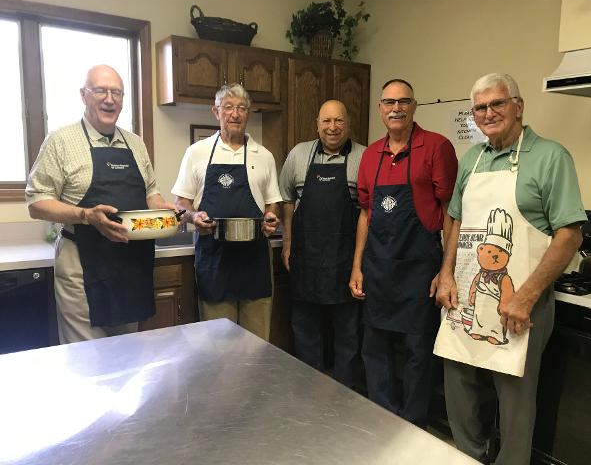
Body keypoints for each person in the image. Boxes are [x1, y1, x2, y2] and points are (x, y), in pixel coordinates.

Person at [433, 73, 586, 465]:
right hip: (465, 297)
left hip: (521, 304)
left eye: (497, 103)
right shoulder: (472, 158)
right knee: (460, 390)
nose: (488, 113)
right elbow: (455, 220)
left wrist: (526, 295)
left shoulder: (551, 157)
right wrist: (447, 272)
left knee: (515, 404)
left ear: (518, 106)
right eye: (480, 107)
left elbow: (569, 235)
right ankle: (468, 457)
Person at [26, 64, 176, 344]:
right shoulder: (61, 141)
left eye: (116, 93)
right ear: (84, 95)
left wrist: (165, 210)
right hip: (82, 264)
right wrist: (85, 215)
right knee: (89, 362)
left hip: (131, 266)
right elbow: (36, 201)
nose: (110, 99)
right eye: (101, 91)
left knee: (128, 357)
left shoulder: (136, 144)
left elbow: (151, 193)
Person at [349, 79, 458, 426]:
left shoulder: (437, 147)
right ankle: (381, 417)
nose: (396, 108)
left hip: (419, 269)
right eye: (389, 102)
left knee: (416, 353)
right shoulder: (370, 154)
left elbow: (451, 213)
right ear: (380, 109)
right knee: (374, 349)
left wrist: (446, 270)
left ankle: (413, 425)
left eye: (404, 102)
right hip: (378, 268)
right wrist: (357, 267)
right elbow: (366, 213)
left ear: (414, 107)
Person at [172, 84, 282, 341]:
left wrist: (270, 219)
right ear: (216, 112)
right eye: (228, 107)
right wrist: (193, 217)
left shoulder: (263, 155)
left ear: (249, 113)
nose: (235, 114)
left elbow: (271, 204)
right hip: (214, 259)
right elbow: (180, 204)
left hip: (254, 260)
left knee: (256, 346)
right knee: (217, 346)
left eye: (242, 108)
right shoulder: (196, 152)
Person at [279, 99, 366, 388]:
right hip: (307, 259)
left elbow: (368, 212)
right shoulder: (298, 155)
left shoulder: (364, 157)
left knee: (348, 334)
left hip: (346, 262)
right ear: (316, 124)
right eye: (326, 121)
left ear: (348, 123)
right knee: (305, 331)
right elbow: (287, 199)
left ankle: (346, 393)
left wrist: (359, 262)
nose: (332, 127)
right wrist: (288, 242)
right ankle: (308, 390)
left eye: (338, 121)